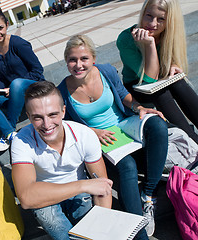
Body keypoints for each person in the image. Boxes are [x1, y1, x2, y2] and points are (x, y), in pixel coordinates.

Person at [58, 35, 168, 239]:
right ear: (66, 61)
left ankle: (148, 194)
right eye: (72, 60)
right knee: (127, 166)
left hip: (124, 124)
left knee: (157, 124)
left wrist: (140, 107)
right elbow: (65, 124)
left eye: (84, 58)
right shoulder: (62, 91)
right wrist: (93, 132)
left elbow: (122, 93)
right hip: (101, 138)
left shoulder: (106, 71)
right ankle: (138, 232)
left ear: (93, 58)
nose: (78, 65)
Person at [11, 81, 113, 240]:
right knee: (52, 221)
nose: (46, 124)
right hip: (46, 195)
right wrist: (82, 184)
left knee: (91, 233)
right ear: (29, 117)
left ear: (63, 111)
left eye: (52, 115)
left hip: (79, 195)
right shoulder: (21, 141)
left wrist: (100, 230)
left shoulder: (84, 135)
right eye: (38, 117)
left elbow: (103, 188)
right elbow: (26, 198)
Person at [116, 0, 198, 144]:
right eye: (149, 15)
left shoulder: (169, 34)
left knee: (178, 82)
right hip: (137, 87)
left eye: (161, 19)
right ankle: (192, 141)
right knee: (160, 92)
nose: (152, 23)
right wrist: (150, 44)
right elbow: (149, 79)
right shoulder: (126, 39)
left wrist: (174, 64)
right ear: (143, 13)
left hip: (162, 80)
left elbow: (170, 62)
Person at [0, 7, 45, 152]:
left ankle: (10, 127)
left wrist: (13, 88)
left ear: (7, 25)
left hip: (35, 89)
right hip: (15, 94)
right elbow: (4, 80)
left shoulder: (18, 44)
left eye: (0, 28)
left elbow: (38, 71)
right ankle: (9, 133)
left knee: (17, 84)